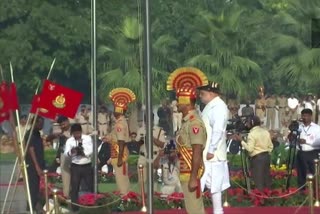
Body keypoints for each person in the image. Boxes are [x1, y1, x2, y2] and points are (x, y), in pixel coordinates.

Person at [166, 67, 207, 214]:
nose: (177, 103)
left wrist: (194, 177)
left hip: (190, 171)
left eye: (179, 100)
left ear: (186, 102)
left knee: (195, 209)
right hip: (185, 169)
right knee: (191, 208)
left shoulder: (194, 123)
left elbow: (196, 150)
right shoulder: (186, 121)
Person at [198, 81, 230, 214]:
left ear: (211, 93)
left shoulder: (218, 107)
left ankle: (216, 211)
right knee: (210, 187)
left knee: (212, 187)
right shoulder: (210, 106)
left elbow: (218, 130)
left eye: (203, 94)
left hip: (212, 155)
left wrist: (211, 150)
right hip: (207, 154)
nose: (200, 96)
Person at [233, 116, 274, 191]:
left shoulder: (252, 134)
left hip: (257, 159)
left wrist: (241, 141)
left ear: (252, 123)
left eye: (248, 123)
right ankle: (269, 196)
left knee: (258, 180)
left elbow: (250, 149)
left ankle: (260, 198)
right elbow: (271, 146)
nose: (246, 125)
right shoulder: (265, 131)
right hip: (266, 157)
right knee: (266, 179)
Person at [108, 87, 136, 196]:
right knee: (121, 178)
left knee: (121, 179)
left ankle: (125, 198)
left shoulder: (120, 124)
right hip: (117, 151)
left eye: (115, 108)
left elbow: (121, 141)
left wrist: (119, 158)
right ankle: (125, 197)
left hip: (119, 153)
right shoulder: (121, 122)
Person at [64, 123, 93, 212]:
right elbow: (66, 154)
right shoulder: (69, 141)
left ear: (81, 131)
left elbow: (91, 150)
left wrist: (82, 152)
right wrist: (72, 152)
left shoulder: (87, 138)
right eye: (75, 133)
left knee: (91, 185)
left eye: (78, 133)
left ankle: (93, 205)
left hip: (86, 165)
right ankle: (75, 207)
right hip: (75, 166)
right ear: (72, 133)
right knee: (75, 187)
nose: (77, 135)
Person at [136, 114, 166, 191]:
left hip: (154, 157)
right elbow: (136, 143)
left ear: (153, 120)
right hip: (143, 157)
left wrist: (152, 138)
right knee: (141, 181)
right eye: (146, 120)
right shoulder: (141, 130)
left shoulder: (159, 130)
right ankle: (142, 199)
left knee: (153, 181)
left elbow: (163, 145)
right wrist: (141, 140)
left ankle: (154, 199)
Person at [294, 109, 320, 188]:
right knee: (301, 173)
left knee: (313, 173)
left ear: (310, 116)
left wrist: (306, 141)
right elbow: (293, 137)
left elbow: (318, 141)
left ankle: (314, 191)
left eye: (306, 116)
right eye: (303, 116)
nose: (304, 117)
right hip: (301, 153)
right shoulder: (299, 127)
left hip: (312, 153)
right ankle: (301, 191)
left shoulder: (316, 128)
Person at [47, 116, 72, 198]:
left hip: (75, 157)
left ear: (68, 121)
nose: (63, 126)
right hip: (64, 156)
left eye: (64, 124)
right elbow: (48, 139)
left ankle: (76, 195)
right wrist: (55, 135)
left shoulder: (74, 130)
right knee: (65, 177)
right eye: (61, 125)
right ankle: (66, 195)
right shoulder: (60, 133)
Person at [25, 116, 46, 212]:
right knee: (33, 187)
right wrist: (37, 167)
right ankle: (31, 207)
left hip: (39, 163)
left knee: (36, 187)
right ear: (35, 123)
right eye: (40, 123)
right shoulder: (30, 134)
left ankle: (34, 206)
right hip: (32, 165)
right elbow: (31, 150)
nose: (42, 125)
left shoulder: (37, 133)